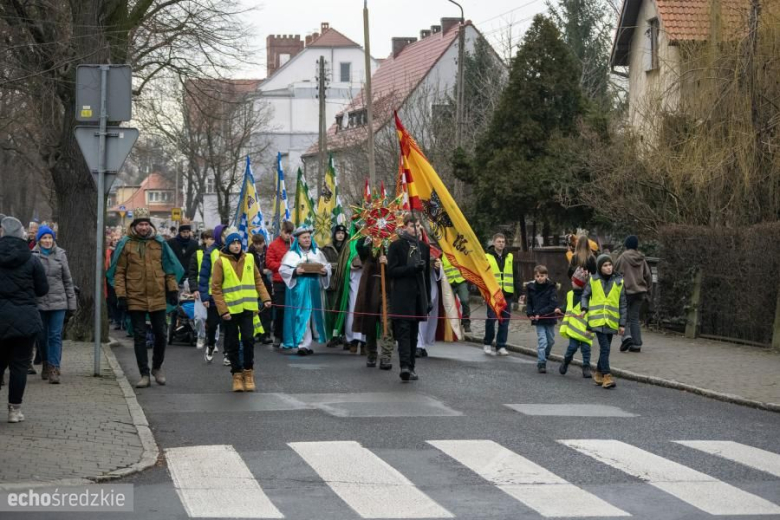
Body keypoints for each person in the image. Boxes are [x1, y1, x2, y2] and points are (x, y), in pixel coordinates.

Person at [110, 208, 183, 388]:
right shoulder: (126, 244)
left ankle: (157, 367)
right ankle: (143, 374)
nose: (143, 228)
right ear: (134, 226)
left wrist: (172, 290)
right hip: (135, 296)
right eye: (140, 224)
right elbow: (119, 273)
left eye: (146, 224)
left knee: (161, 333)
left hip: (157, 295)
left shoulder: (159, 243)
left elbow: (169, 269)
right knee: (140, 336)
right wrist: (121, 295)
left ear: (149, 225)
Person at [211, 228, 272, 392]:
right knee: (232, 343)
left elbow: (258, 280)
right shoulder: (220, 262)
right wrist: (223, 310)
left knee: (248, 341)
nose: (236, 246)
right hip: (230, 311)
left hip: (248, 309)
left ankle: (248, 373)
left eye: (238, 243)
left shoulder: (250, 258)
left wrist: (265, 298)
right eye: (233, 243)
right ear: (228, 245)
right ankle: (236, 375)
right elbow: (215, 288)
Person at [0, 217, 49, 422]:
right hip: (25, 319)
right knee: (20, 366)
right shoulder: (32, 259)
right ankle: (14, 410)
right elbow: (42, 289)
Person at [387, 214, 431, 382]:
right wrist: (411, 268)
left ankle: (412, 367)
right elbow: (392, 271)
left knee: (413, 333)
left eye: (418, 226)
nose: (416, 229)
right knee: (403, 332)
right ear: (405, 227)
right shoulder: (396, 246)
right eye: (412, 226)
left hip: (418, 296)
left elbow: (426, 276)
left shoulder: (424, 248)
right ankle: (404, 366)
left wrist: (428, 299)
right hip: (402, 296)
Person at [31, 226, 76, 384]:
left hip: (59, 302)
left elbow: (68, 280)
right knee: (41, 337)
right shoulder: (32, 256)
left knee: (55, 336)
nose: (47, 241)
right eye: (44, 238)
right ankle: (45, 362)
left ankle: (54, 368)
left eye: (50, 238)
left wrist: (71, 303)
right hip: (39, 302)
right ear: (39, 240)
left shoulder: (61, 255)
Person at [279, 227, 331, 355]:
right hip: (300, 289)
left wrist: (325, 272)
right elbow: (283, 270)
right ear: (298, 240)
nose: (307, 240)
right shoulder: (292, 255)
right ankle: (302, 344)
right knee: (302, 315)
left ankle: (308, 343)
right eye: (304, 237)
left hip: (314, 288)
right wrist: (295, 271)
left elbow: (327, 266)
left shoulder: (317, 253)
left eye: (308, 237)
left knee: (313, 315)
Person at [581, 254, 627, 389]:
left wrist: (622, 324)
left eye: (610, 265)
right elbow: (585, 296)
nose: (608, 268)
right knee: (605, 348)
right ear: (599, 268)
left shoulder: (619, 281)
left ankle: (598, 374)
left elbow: (623, 304)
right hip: (597, 321)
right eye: (605, 265)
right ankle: (607, 376)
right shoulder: (593, 280)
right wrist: (584, 308)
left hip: (611, 322)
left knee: (604, 350)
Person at [353, 238, 394, 368]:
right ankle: (371, 353)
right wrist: (366, 239)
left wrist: (388, 262)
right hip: (370, 288)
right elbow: (360, 248)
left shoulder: (392, 243)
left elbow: (398, 263)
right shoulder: (368, 244)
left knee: (386, 322)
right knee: (370, 320)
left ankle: (386, 355)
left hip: (387, 289)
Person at [483, 233, 520, 356]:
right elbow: (483, 275)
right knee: (492, 318)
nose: (501, 244)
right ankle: (488, 343)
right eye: (499, 241)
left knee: (505, 321)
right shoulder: (487, 256)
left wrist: (520, 292)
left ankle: (501, 345)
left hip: (507, 293)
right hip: (493, 293)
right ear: (493, 243)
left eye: (503, 241)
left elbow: (515, 275)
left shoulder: (510, 257)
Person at [614, 235, 652, 353]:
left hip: (627, 291)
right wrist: (648, 291)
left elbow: (616, 273)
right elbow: (648, 276)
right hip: (640, 292)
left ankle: (627, 337)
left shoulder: (623, 257)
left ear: (626, 245)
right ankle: (636, 344)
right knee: (634, 318)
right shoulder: (642, 258)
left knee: (622, 315)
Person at [198, 224, 227, 364]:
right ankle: (210, 345)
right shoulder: (210, 252)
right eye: (222, 235)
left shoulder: (231, 251)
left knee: (229, 325)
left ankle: (228, 353)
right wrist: (204, 296)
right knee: (213, 324)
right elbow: (203, 276)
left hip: (229, 295)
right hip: (213, 295)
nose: (225, 238)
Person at [558, 267, 593, 378]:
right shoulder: (570, 294)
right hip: (573, 329)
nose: (571, 282)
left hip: (586, 330)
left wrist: (590, 328)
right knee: (571, 348)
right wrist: (560, 309)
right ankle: (566, 361)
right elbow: (567, 306)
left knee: (586, 351)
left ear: (578, 283)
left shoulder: (588, 297)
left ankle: (586, 367)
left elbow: (592, 314)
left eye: (573, 281)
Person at [526, 265, 560, 373]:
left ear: (546, 276)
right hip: (538, 320)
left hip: (549, 318)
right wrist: (530, 313)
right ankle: (541, 362)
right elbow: (529, 303)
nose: (540, 278)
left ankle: (545, 355)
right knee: (542, 341)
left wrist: (540, 313)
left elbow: (553, 304)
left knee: (550, 341)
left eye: (542, 275)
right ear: (535, 277)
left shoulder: (551, 287)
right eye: (537, 276)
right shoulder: (531, 288)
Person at [265, 221, 294, 348]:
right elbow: (269, 263)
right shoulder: (273, 245)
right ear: (281, 231)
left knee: (292, 309)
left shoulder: (295, 243)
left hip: (293, 280)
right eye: (286, 232)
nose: (288, 235)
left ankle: (291, 335)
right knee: (280, 309)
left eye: (290, 233)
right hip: (280, 281)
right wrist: (283, 267)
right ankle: (278, 335)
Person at [322, 224, 348, 346]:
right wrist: (338, 267)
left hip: (344, 283)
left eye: (342, 233)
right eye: (338, 233)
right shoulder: (327, 249)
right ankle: (333, 335)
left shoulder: (348, 248)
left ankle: (343, 335)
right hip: (332, 284)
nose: (340, 235)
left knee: (344, 310)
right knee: (332, 310)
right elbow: (324, 264)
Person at [189, 229, 214, 350]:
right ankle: (201, 336)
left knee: (214, 319)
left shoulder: (219, 253)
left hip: (215, 290)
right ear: (204, 240)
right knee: (199, 317)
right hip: (201, 289)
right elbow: (192, 273)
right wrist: (194, 289)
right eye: (210, 238)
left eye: (214, 239)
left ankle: (213, 341)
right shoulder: (197, 254)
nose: (212, 241)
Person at [417, 243, 443, 358]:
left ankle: (422, 345)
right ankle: (418, 345)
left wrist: (437, 267)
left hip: (430, 286)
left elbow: (440, 274)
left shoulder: (434, 248)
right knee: (417, 316)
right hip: (416, 285)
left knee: (427, 317)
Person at [248, 233, 273, 344]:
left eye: (260, 243)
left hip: (267, 283)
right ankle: (254, 333)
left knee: (266, 309)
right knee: (254, 310)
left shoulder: (268, 252)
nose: (258, 246)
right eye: (256, 244)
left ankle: (265, 334)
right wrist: (261, 271)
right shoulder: (249, 254)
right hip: (253, 283)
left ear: (264, 242)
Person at [442, 255, 470, 333]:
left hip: (461, 281)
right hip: (449, 283)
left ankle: (466, 322)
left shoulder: (458, 251)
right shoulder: (442, 255)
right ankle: (451, 326)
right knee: (450, 305)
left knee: (465, 300)